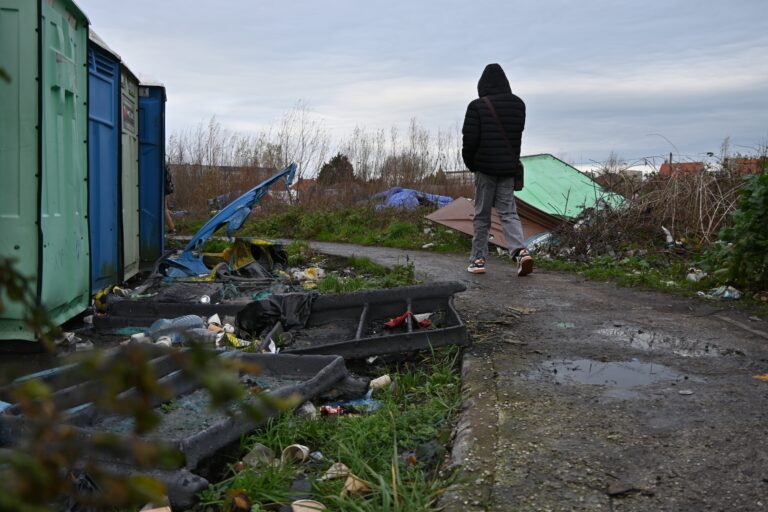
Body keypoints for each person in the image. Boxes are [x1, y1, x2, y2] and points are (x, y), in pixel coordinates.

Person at [461, 63, 533, 276]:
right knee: (509, 213)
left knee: (482, 215)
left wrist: (471, 164)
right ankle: (520, 251)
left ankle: (478, 260)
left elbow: (470, 140)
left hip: (485, 168)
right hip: (508, 168)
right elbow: (516, 137)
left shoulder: (477, 106)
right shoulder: (519, 105)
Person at [164, 163, 176, 234]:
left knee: (164, 210)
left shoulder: (160, 167)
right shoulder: (165, 167)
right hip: (165, 190)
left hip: (163, 191)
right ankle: (172, 228)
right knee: (165, 209)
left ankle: (172, 228)